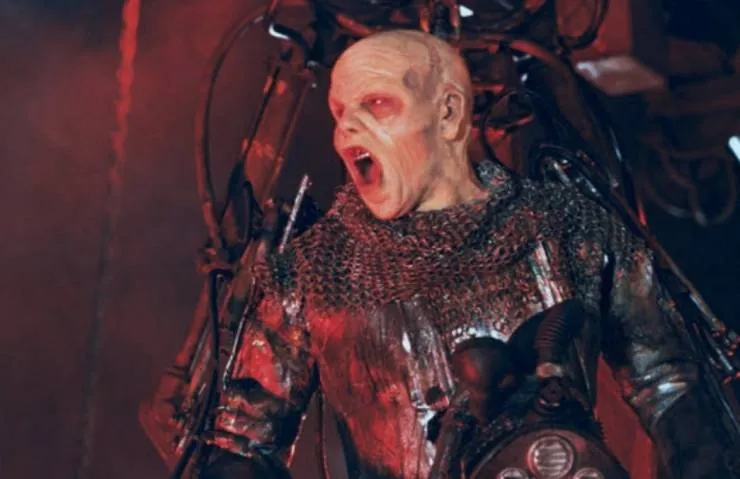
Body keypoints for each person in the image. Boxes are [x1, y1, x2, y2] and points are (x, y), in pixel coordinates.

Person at [200, 29, 737, 478]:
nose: (346, 130)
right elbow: (243, 445)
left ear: (449, 112)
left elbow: (670, 384)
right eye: (340, 112)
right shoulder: (312, 270)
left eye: (377, 103)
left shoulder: (568, 229)